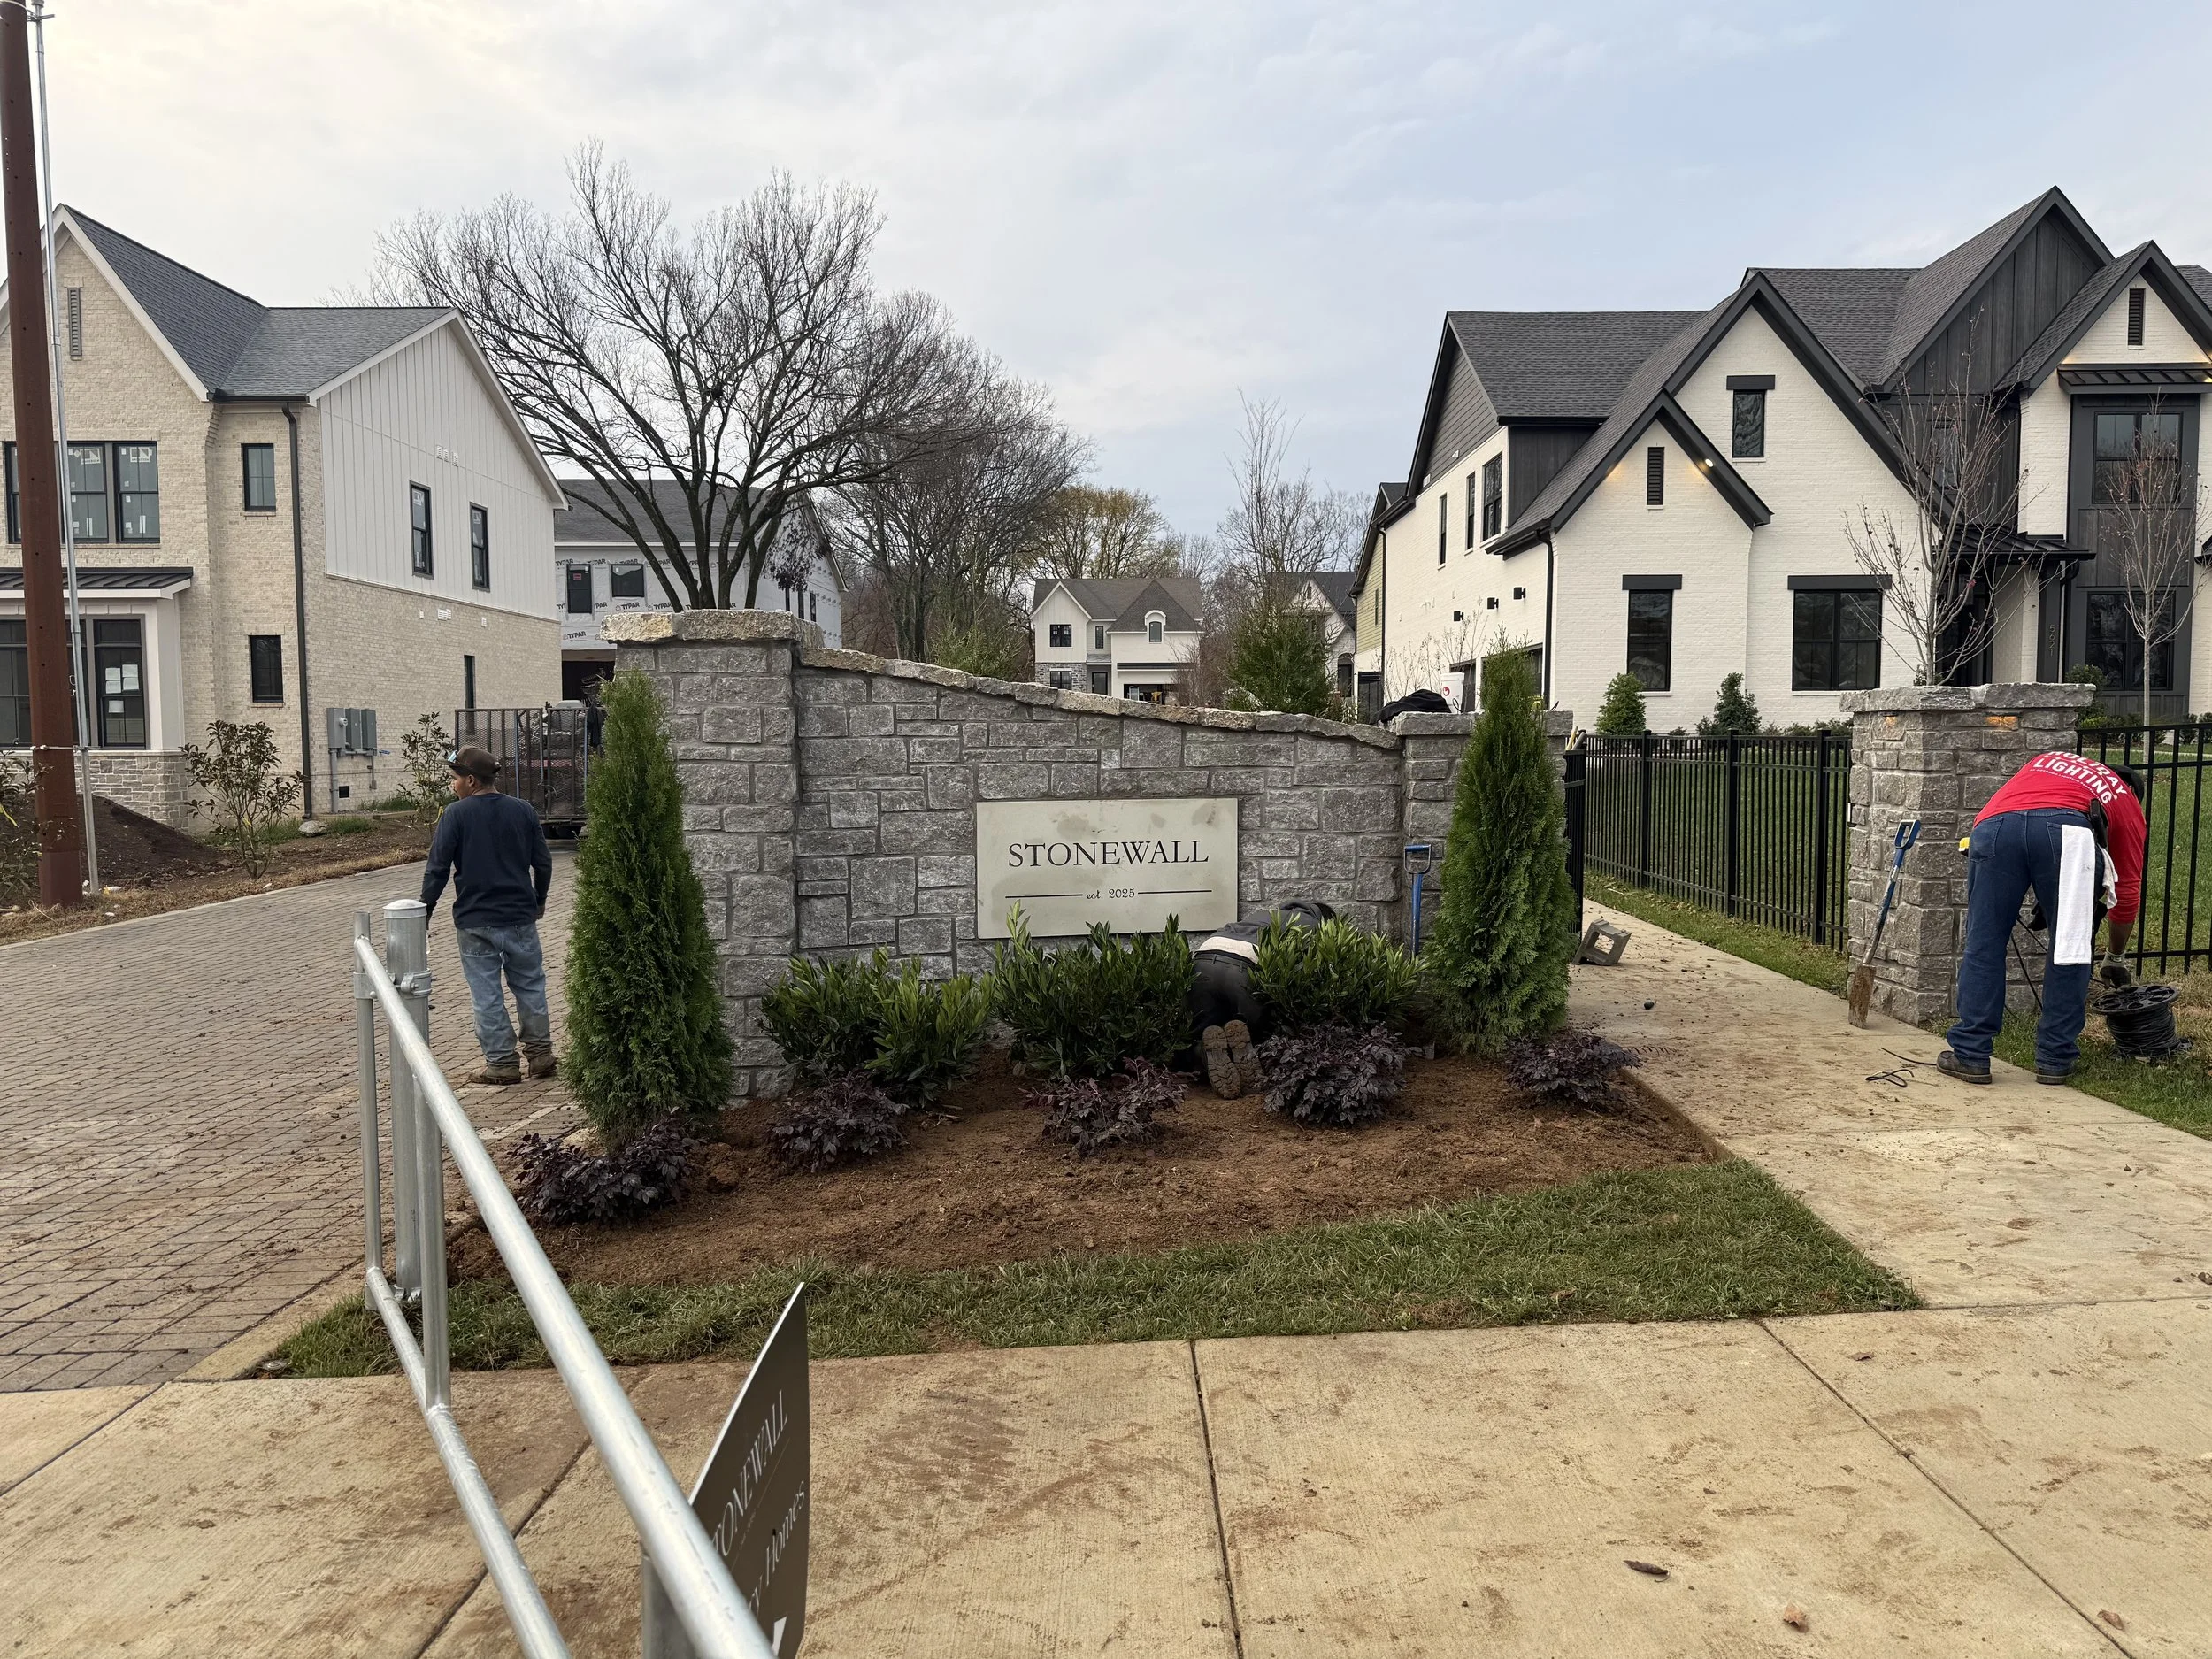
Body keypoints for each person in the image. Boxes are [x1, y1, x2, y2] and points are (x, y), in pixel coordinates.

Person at [1939, 751, 2146, 1087]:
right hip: (2068, 834)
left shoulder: (2050, 760)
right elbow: (2128, 891)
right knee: (2070, 945)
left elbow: (2027, 815)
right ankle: (2054, 1058)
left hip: (1992, 826)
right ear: (2134, 790)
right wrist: (2116, 956)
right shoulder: (2125, 799)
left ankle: (1971, 1054)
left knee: (1984, 943)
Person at [420, 745, 557, 1086]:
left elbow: (437, 869)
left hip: (475, 920)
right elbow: (543, 862)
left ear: (470, 780)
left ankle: (501, 1064)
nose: (452, 785)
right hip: (519, 917)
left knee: (486, 993)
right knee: (530, 986)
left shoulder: (455, 815)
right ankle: (541, 1057)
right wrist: (538, 899)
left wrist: (423, 913)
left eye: (454, 778)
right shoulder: (523, 811)